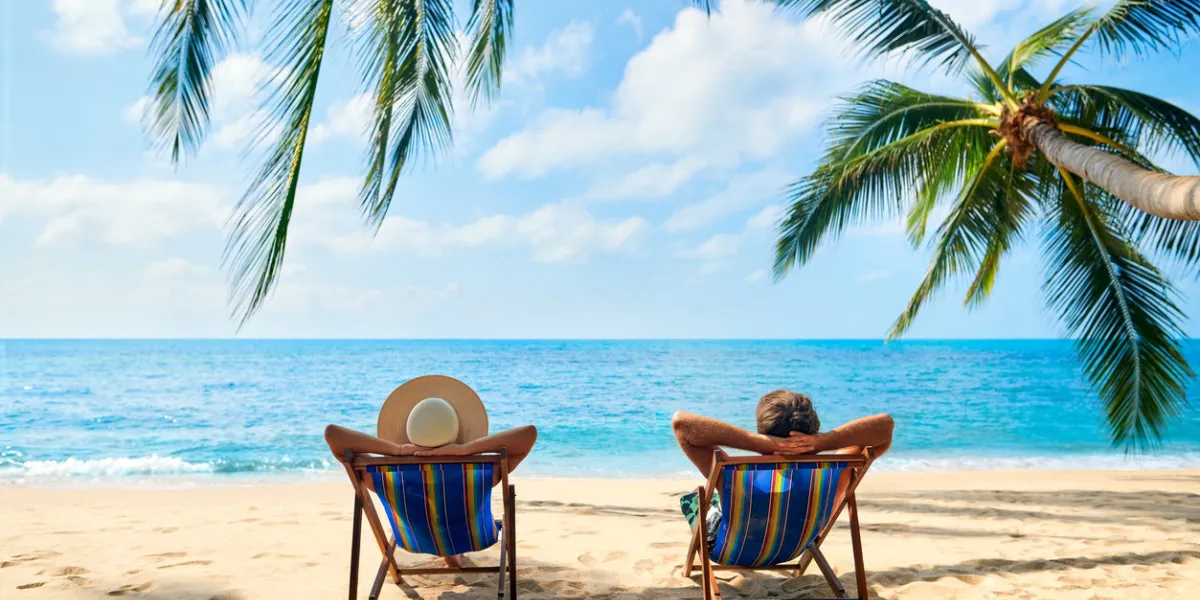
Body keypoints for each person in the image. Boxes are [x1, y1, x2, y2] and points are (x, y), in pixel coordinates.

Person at [325, 375, 537, 568]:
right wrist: (465, 450)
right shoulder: (481, 473)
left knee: (431, 508)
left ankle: (448, 554)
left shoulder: (382, 475)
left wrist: (397, 450)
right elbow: (528, 433)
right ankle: (451, 551)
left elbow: (333, 434)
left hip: (416, 540)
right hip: (472, 537)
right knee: (450, 508)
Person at [671, 390, 893, 551]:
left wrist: (756, 443)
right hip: (797, 546)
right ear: (814, 429)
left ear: (763, 431)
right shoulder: (838, 471)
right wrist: (823, 442)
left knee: (697, 496)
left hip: (732, 549)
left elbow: (682, 424)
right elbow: (885, 427)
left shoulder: (735, 475)